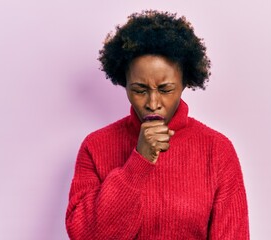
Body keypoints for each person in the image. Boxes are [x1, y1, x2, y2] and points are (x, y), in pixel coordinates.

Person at [66, 10, 249, 239]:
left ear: (185, 83)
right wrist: (139, 162)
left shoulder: (217, 150)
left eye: (165, 90)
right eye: (139, 90)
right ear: (124, 83)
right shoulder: (95, 146)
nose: (153, 103)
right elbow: (85, 235)